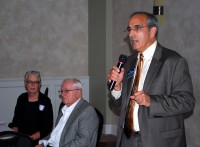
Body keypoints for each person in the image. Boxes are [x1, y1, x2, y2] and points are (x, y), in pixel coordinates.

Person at [108, 11, 195, 147]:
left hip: (158, 140)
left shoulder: (173, 61)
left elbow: (187, 102)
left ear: (152, 31)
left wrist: (151, 101)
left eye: (137, 28)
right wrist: (117, 88)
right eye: (129, 29)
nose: (131, 34)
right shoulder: (129, 62)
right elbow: (118, 106)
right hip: (127, 139)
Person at [36, 78, 99, 147]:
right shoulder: (64, 108)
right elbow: (56, 133)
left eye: (66, 91)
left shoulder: (87, 111)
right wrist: (42, 143)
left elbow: (83, 142)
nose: (62, 94)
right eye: (62, 91)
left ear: (78, 93)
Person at [9, 71, 53, 146]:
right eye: (30, 82)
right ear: (25, 84)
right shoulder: (21, 98)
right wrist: (15, 135)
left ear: (39, 84)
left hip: (38, 140)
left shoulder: (45, 101)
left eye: (36, 82)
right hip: (21, 138)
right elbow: (15, 121)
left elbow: (47, 127)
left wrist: (30, 138)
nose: (33, 85)